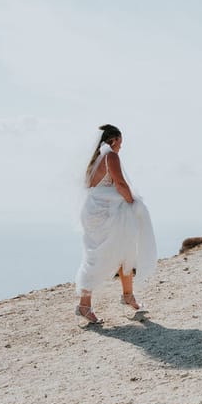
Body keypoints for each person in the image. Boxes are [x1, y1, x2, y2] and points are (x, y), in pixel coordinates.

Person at [74, 124, 157, 324]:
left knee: (122, 250)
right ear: (115, 139)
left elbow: (94, 188)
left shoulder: (93, 160)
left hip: (93, 211)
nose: (121, 146)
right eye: (121, 142)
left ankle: (128, 296)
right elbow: (120, 184)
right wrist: (132, 202)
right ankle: (84, 305)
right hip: (106, 215)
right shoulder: (110, 156)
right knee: (100, 256)